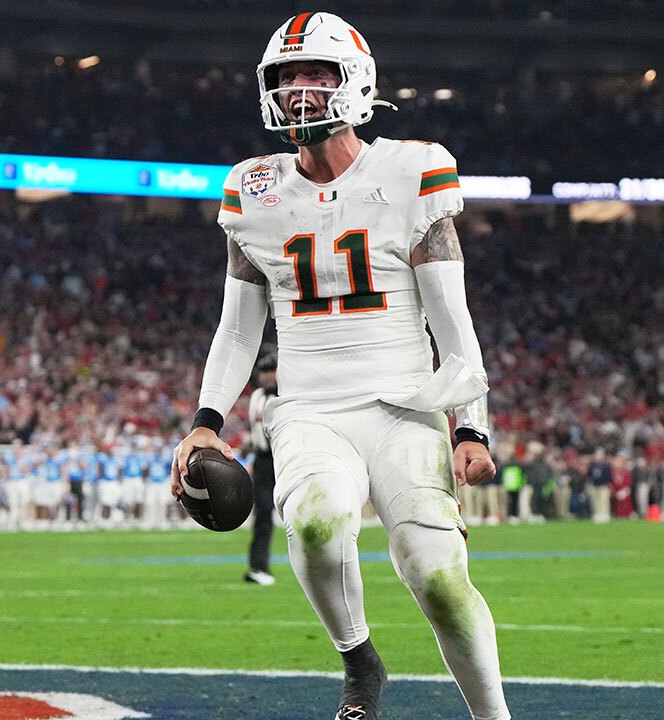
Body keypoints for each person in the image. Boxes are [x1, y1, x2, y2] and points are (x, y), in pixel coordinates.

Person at [170, 13, 510, 720]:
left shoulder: (412, 169)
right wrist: (205, 422)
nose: (299, 90)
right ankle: (361, 662)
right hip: (310, 408)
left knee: (438, 579)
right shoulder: (253, 188)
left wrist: (471, 426)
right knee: (319, 523)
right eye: (287, 76)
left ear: (354, 82)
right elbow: (238, 326)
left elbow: (453, 322)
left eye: (316, 74)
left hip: (405, 404)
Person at [245, 353, 279, 586]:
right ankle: (258, 566)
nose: (267, 376)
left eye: (271, 371)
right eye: (263, 371)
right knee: (263, 513)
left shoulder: (288, 395)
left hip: (284, 457)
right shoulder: (256, 396)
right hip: (263, 460)